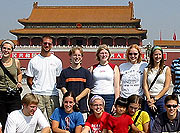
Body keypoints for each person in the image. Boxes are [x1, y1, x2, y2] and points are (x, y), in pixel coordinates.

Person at [26, 35, 62, 121]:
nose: (47, 45)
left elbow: (58, 79)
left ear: (52, 45)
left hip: (52, 94)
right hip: (37, 94)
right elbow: (29, 80)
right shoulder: (34, 61)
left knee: (54, 121)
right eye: (45, 43)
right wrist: (36, 90)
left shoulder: (57, 61)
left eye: (49, 44)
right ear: (41, 44)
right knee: (34, 120)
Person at [57, 46, 93, 120]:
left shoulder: (86, 73)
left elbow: (87, 89)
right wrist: (70, 99)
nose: (77, 57)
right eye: (75, 55)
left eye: (79, 55)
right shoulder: (65, 72)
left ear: (82, 57)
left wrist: (76, 99)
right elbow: (63, 87)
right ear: (70, 56)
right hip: (67, 106)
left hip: (82, 106)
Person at [143, 46, 171, 130]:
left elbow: (166, 87)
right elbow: (145, 85)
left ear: (162, 56)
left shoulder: (166, 69)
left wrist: (155, 99)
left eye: (159, 54)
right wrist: (149, 100)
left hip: (162, 98)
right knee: (149, 122)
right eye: (155, 54)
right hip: (149, 99)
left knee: (163, 121)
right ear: (152, 55)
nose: (157, 56)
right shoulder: (147, 69)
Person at [89, 44, 120, 113]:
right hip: (95, 94)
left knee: (108, 118)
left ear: (109, 55)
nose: (104, 55)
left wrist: (116, 101)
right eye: (102, 53)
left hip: (109, 96)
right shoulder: (93, 68)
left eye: (106, 53)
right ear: (98, 55)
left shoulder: (114, 67)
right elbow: (89, 85)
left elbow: (116, 86)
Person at [0, 40, 22, 131]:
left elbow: (19, 73)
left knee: (16, 118)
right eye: (4, 48)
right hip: (1, 94)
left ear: (12, 51)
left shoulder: (16, 62)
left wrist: (19, 82)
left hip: (14, 94)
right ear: (1, 49)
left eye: (8, 49)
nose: (6, 50)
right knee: (3, 119)